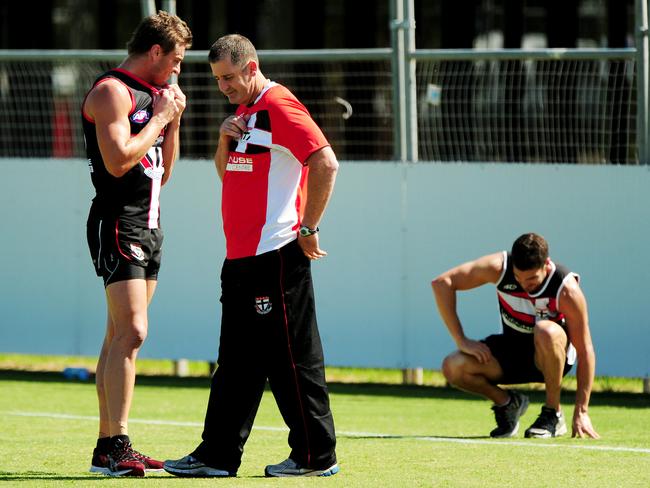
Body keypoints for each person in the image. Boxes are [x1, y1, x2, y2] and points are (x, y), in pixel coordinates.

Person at [164, 34, 339, 478]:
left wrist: (309, 227)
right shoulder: (244, 111)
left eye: (228, 77)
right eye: (217, 80)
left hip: (276, 256)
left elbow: (325, 162)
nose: (223, 86)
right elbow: (230, 175)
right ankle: (216, 456)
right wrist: (223, 140)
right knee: (236, 363)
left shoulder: (278, 104)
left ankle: (316, 456)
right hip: (241, 259)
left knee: (292, 360)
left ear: (252, 66)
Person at [81, 11, 192, 477]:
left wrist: (175, 119)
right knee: (133, 333)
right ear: (155, 52)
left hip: (148, 223)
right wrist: (161, 116)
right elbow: (118, 161)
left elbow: (165, 171)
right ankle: (116, 445)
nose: (178, 70)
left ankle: (107, 446)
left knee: (120, 335)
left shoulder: (155, 96)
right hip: (117, 221)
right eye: (177, 60)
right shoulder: (112, 91)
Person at [431, 233, 600, 439]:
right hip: (512, 351)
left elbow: (585, 350)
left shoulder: (566, 290)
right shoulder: (499, 267)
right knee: (453, 366)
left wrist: (582, 412)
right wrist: (461, 340)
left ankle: (552, 413)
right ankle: (508, 403)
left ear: (546, 265)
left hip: (549, 356)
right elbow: (441, 283)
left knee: (546, 331)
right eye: (518, 278)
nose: (523, 285)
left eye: (531, 279)